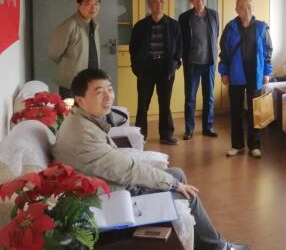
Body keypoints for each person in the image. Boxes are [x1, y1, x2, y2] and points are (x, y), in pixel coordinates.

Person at [52, 69, 250, 250]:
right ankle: (219, 247)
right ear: (80, 100)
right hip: (111, 199)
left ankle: (207, 243)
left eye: (109, 90)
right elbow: (128, 171)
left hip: (110, 184)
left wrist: (173, 181)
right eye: (99, 92)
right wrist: (173, 185)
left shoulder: (81, 120)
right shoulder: (82, 134)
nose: (108, 96)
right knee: (186, 194)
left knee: (177, 174)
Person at [219, 0, 273, 158]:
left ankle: (254, 146)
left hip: (255, 74)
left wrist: (267, 72)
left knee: (255, 111)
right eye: (242, 7)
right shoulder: (230, 27)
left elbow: (268, 51)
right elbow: (224, 51)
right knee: (236, 111)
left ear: (253, 8)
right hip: (236, 73)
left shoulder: (261, 27)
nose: (246, 10)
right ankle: (237, 146)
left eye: (249, 7)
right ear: (236, 10)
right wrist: (224, 72)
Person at [129, 0, 181, 145]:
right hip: (146, 68)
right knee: (143, 104)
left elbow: (180, 47)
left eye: (161, 1)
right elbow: (133, 48)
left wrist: (175, 64)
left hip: (166, 68)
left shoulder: (173, 25)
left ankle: (166, 135)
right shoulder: (141, 26)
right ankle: (140, 136)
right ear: (149, 4)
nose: (159, 4)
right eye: (154, 1)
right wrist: (137, 68)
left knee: (165, 103)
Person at [178, 0, 220, 141]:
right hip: (192, 63)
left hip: (209, 63)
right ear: (191, 1)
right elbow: (181, 39)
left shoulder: (214, 15)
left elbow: (216, 34)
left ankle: (208, 127)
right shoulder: (184, 17)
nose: (199, 0)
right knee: (190, 98)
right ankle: (189, 129)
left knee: (209, 97)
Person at [48, 0, 101, 99]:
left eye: (96, 4)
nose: (93, 8)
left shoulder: (94, 25)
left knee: (87, 109)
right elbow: (54, 54)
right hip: (72, 82)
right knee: (71, 109)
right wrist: (71, 66)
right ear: (78, 5)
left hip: (91, 80)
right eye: (88, 4)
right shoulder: (69, 25)